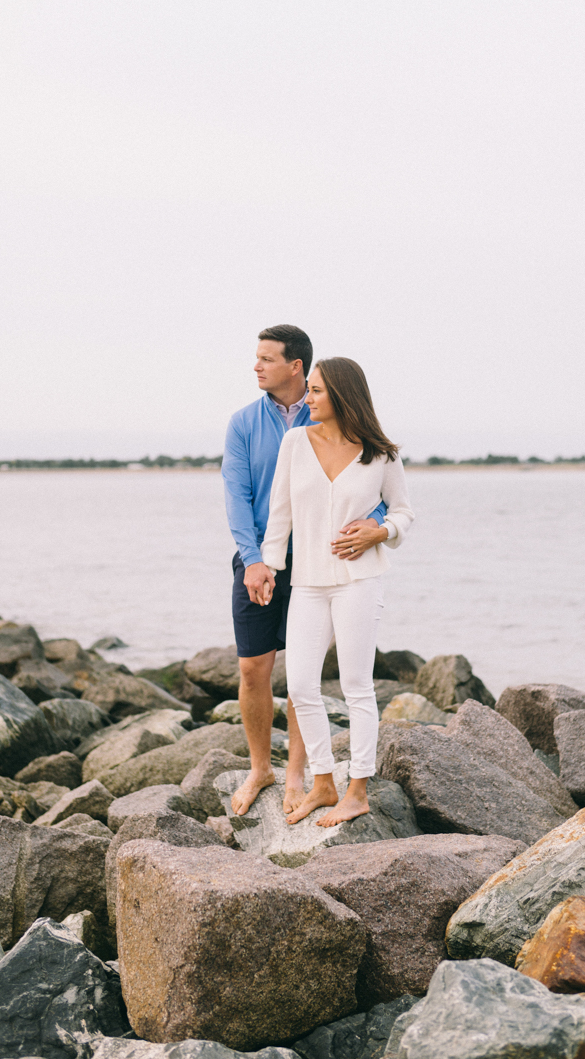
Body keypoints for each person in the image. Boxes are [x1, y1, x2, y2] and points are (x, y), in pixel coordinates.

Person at [221, 326, 390, 816]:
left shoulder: (346, 425)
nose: (256, 366)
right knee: (254, 668)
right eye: (256, 358)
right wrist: (254, 560)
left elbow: (377, 494)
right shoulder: (244, 424)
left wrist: (375, 527)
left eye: (266, 359)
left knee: (307, 669)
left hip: (323, 560)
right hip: (262, 557)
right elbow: (240, 496)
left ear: (295, 366)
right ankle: (260, 770)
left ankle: (300, 776)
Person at [259, 357, 414, 826]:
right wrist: (269, 566)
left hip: (358, 581)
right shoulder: (294, 443)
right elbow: (279, 513)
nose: (307, 399)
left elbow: (405, 511)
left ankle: (358, 790)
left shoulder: (380, 452)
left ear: (344, 395)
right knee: (301, 686)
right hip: (306, 582)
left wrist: (380, 531)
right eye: (309, 390)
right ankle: (323, 783)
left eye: (318, 391)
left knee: (356, 687)